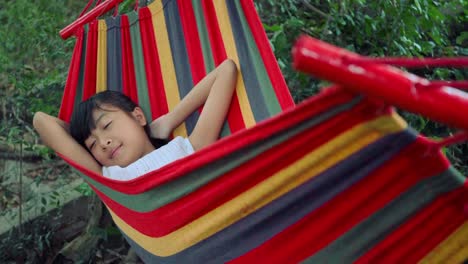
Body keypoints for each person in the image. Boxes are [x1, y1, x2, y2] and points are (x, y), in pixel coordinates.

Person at [33, 59, 238, 180]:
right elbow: (41, 120)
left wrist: (169, 120)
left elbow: (226, 70)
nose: (104, 143)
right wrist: (80, 135)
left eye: (107, 125)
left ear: (138, 116)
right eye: (93, 144)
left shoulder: (187, 148)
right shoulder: (109, 178)